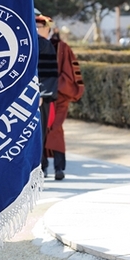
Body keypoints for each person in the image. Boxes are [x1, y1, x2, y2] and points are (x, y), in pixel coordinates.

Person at [41, 14, 85, 180]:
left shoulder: (61, 47)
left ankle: (59, 168)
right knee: (40, 131)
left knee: (56, 129)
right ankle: (42, 167)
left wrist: (56, 87)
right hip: (40, 96)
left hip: (59, 96)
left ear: (48, 28)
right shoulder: (33, 44)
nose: (37, 30)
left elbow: (70, 72)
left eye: (40, 27)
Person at [35, 14, 58, 178]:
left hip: (37, 98)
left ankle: (38, 167)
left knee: (38, 132)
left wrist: (41, 93)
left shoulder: (44, 44)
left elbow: (48, 71)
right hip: (19, 97)